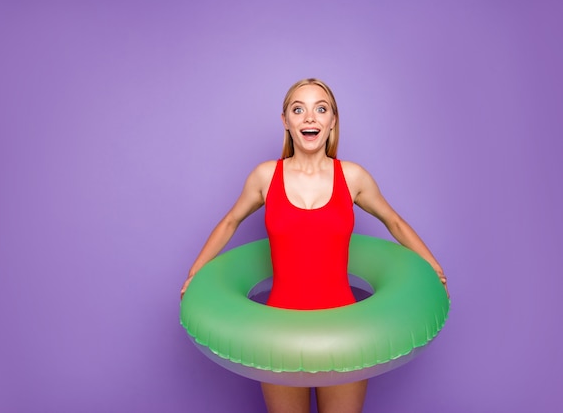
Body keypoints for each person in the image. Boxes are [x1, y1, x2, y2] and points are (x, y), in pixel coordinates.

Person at [180, 78, 448, 413]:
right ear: (286, 121)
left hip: (346, 331)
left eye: (321, 109)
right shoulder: (265, 176)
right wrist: (195, 275)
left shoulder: (352, 177)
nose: (310, 117)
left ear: (332, 120)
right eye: (298, 109)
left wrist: (433, 266)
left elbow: (394, 222)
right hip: (278, 333)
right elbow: (230, 221)